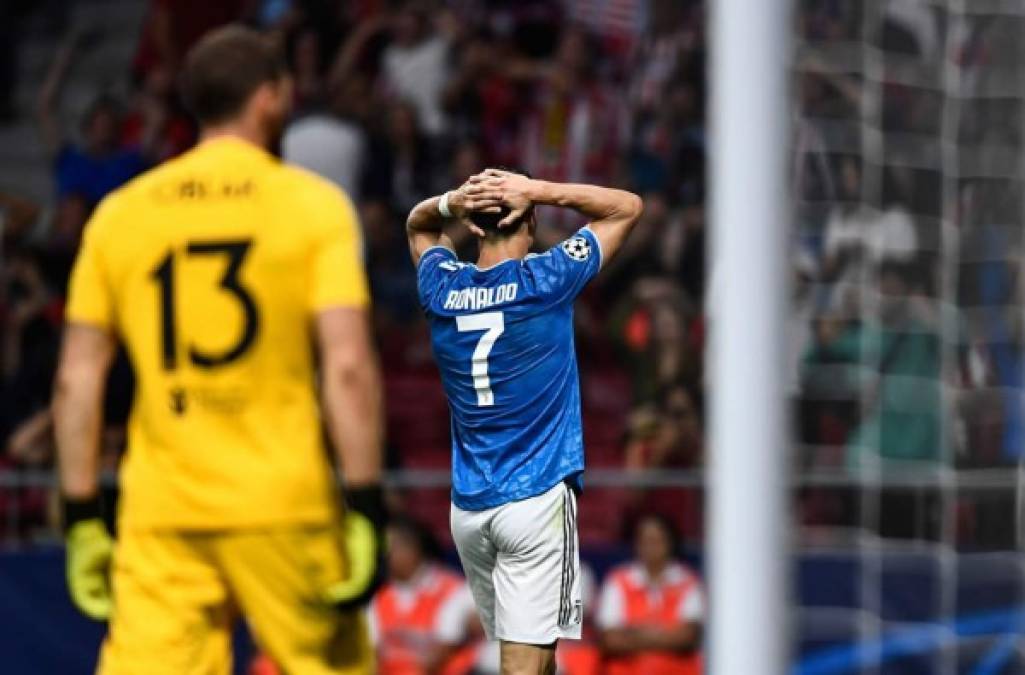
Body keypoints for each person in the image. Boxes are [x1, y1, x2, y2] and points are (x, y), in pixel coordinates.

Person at [52, 26, 385, 674]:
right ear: (269, 97)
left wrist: (82, 514)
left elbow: (77, 379)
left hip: (163, 510)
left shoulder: (119, 215)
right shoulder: (312, 208)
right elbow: (347, 368)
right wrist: (366, 501)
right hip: (282, 500)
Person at [406, 168, 643, 674]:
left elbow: (418, 226)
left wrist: (452, 200)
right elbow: (626, 206)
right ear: (530, 220)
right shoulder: (545, 280)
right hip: (534, 500)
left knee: (535, 661)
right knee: (524, 666)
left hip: (469, 509)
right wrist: (537, 189)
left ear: (473, 227)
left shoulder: (441, 290)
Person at [368, 517, 478, 675]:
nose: (385, 557)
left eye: (391, 549)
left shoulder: (453, 590)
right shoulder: (380, 597)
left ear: (413, 549)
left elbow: (440, 652)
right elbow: (372, 652)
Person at [596, 514, 704, 675]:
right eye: (645, 541)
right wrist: (665, 635)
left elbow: (688, 637)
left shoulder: (689, 582)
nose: (651, 547)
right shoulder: (618, 581)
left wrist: (634, 633)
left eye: (657, 540)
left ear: (670, 542)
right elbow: (610, 640)